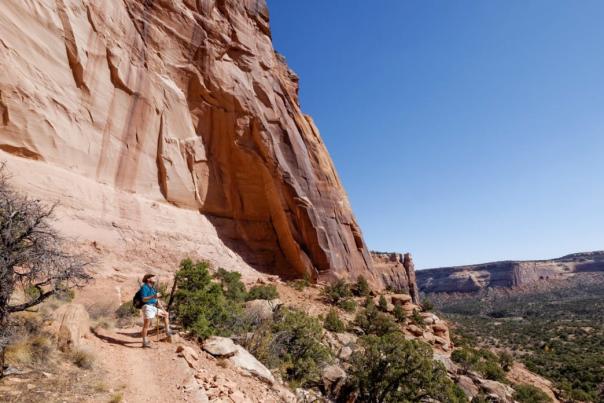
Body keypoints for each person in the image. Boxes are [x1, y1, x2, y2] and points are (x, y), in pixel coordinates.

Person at [140, 274, 173, 348]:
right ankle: (144, 341)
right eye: (152, 277)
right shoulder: (144, 287)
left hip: (153, 307)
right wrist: (154, 296)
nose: (154, 278)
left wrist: (164, 310)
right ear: (148, 279)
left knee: (166, 314)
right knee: (147, 324)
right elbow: (143, 299)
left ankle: (168, 331)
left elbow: (157, 301)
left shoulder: (152, 288)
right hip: (147, 306)